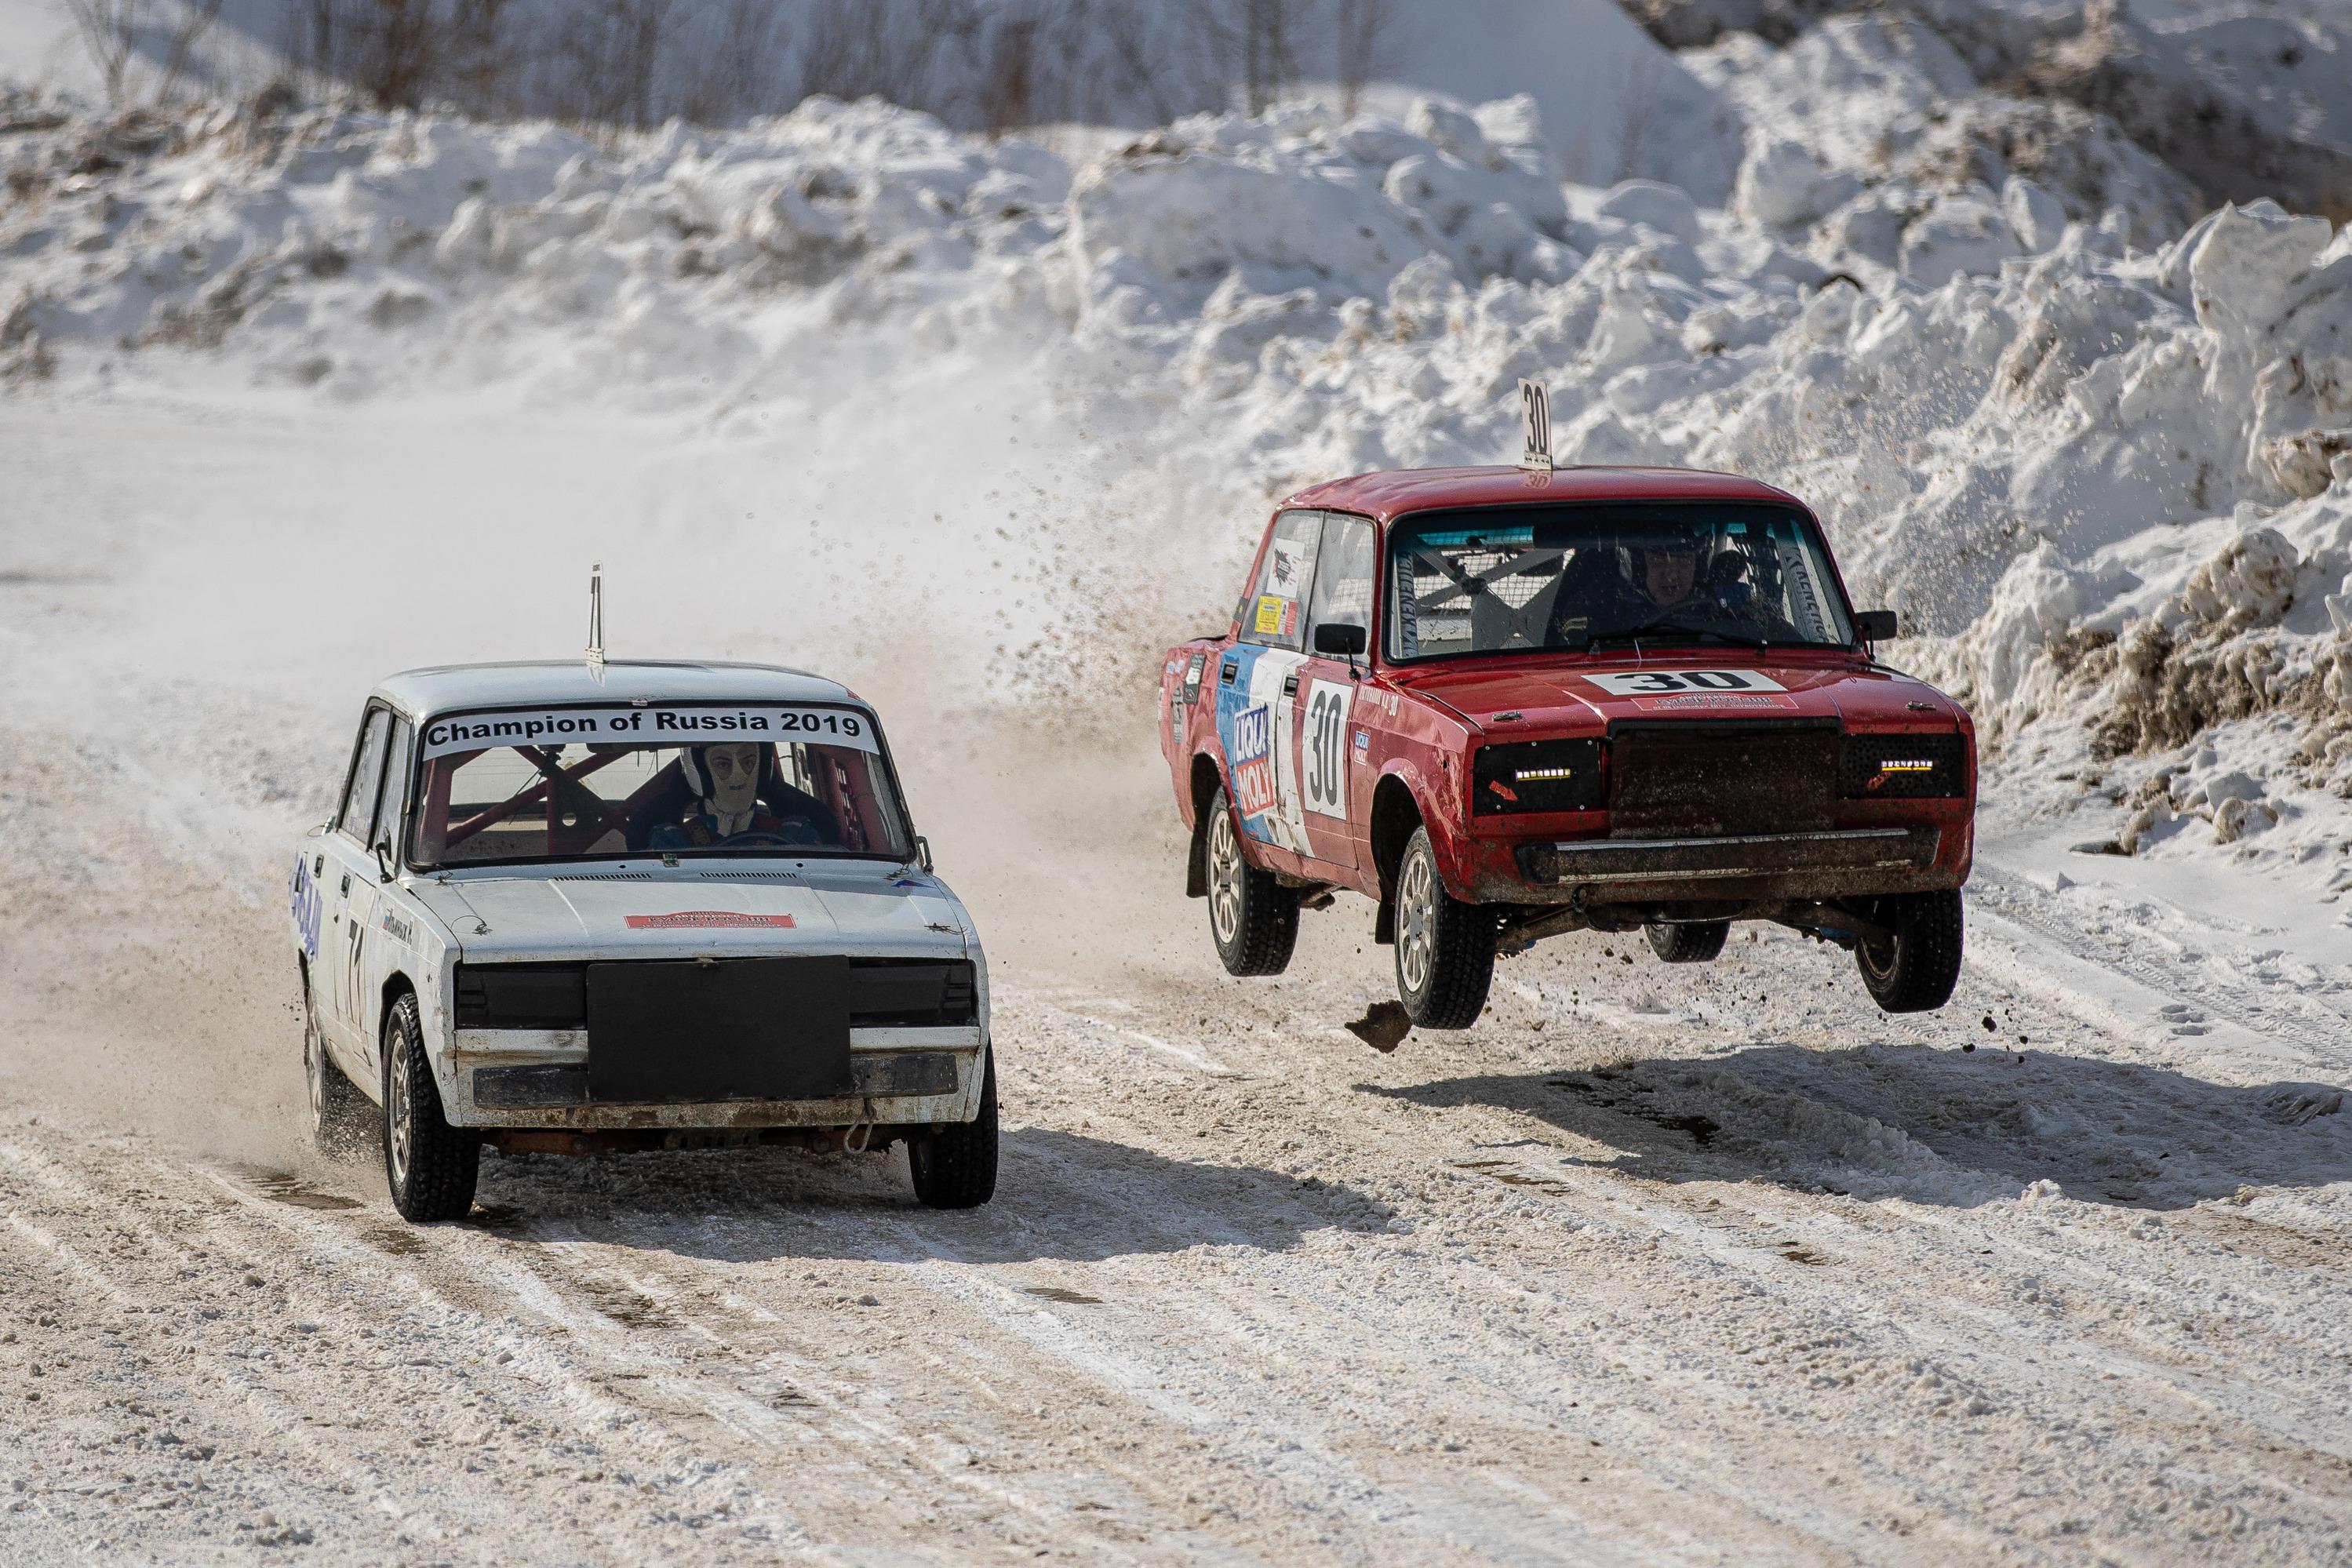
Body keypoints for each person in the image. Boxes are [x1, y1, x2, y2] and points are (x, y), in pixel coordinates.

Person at [647, 742, 836, 849]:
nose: (739, 775)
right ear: (701, 773)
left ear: (762, 771)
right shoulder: (673, 840)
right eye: (723, 764)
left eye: (749, 762)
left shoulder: (795, 832)